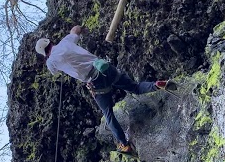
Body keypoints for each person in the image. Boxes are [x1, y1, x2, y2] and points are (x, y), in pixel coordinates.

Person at [36, 25, 169, 153]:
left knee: (108, 114)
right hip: (104, 67)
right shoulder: (66, 41)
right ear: (50, 42)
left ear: (44, 53)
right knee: (135, 87)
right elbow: (74, 30)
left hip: (94, 81)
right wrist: (81, 29)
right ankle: (156, 84)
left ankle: (124, 144)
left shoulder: (50, 62)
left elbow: (55, 71)